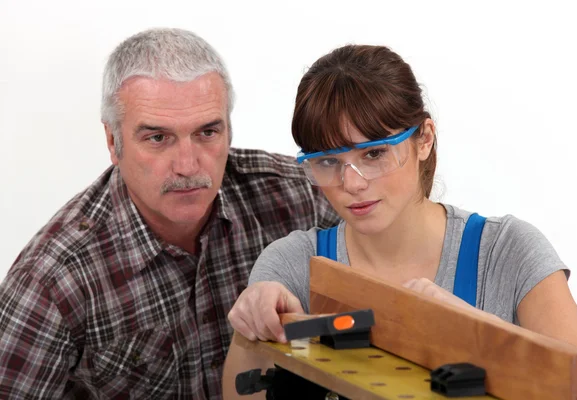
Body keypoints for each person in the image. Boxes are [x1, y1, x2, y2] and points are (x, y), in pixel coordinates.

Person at [223, 44, 577, 397]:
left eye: (374, 154)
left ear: (424, 139)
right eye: (327, 162)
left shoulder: (507, 251)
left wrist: (474, 329)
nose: (352, 183)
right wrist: (254, 332)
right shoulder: (291, 264)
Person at [0, 28, 339, 399]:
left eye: (207, 132)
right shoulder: (54, 279)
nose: (188, 165)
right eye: (158, 138)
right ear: (113, 142)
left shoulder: (299, 194)